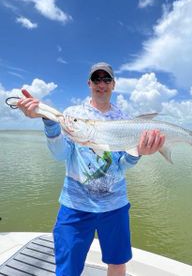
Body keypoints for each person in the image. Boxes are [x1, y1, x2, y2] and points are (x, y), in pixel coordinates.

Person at [17, 62, 165, 276]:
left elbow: (123, 165)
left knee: (117, 263)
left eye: (107, 79)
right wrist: (49, 122)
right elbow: (60, 155)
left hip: (115, 206)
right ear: (89, 83)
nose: (101, 84)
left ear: (114, 84)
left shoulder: (124, 120)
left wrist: (138, 152)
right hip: (74, 206)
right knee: (67, 269)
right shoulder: (73, 114)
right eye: (97, 79)